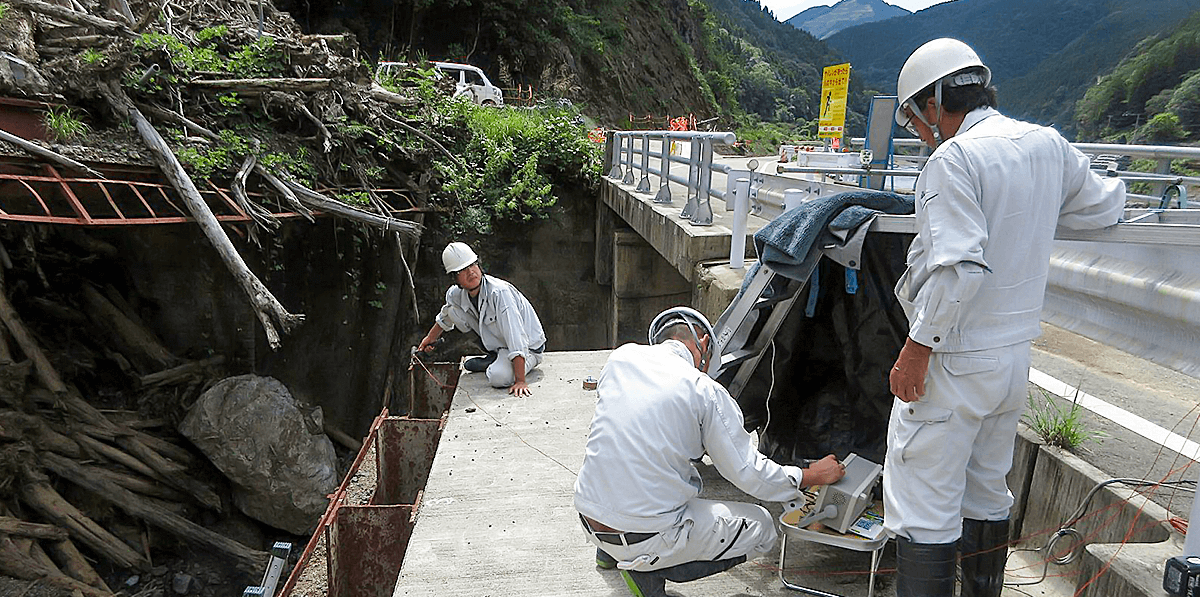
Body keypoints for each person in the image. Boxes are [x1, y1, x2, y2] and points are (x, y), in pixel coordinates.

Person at [884, 38, 1126, 597]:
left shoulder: (955, 159)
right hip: (1014, 357)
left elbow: (959, 268)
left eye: (917, 118)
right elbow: (1105, 204)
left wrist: (916, 349)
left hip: (955, 356)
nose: (921, 132)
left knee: (923, 500)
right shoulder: (1047, 145)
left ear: (935, 101)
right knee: (987, 489)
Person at [574, 306, 846, 597]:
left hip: (588, 517)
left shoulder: (621, 358)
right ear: (703, 343)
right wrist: (809, 475)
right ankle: (645, 570)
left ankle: (608, 553)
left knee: (626, 472)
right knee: (764, 528)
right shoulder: (703, 389)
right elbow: (748, 473)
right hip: (644, 536)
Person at [417, 242, 546, 397]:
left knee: (498, 378)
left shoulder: (499, 293)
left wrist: (520, 380)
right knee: (453, 309)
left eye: (473, 265)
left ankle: (494, 362)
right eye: (462, 270)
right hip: (502, 345)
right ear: (454, 277)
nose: (471, 272)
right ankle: (495, 356)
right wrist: (430, 338)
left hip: (528, 348)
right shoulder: (456, 294)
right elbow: (445, 316)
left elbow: (516, 337)